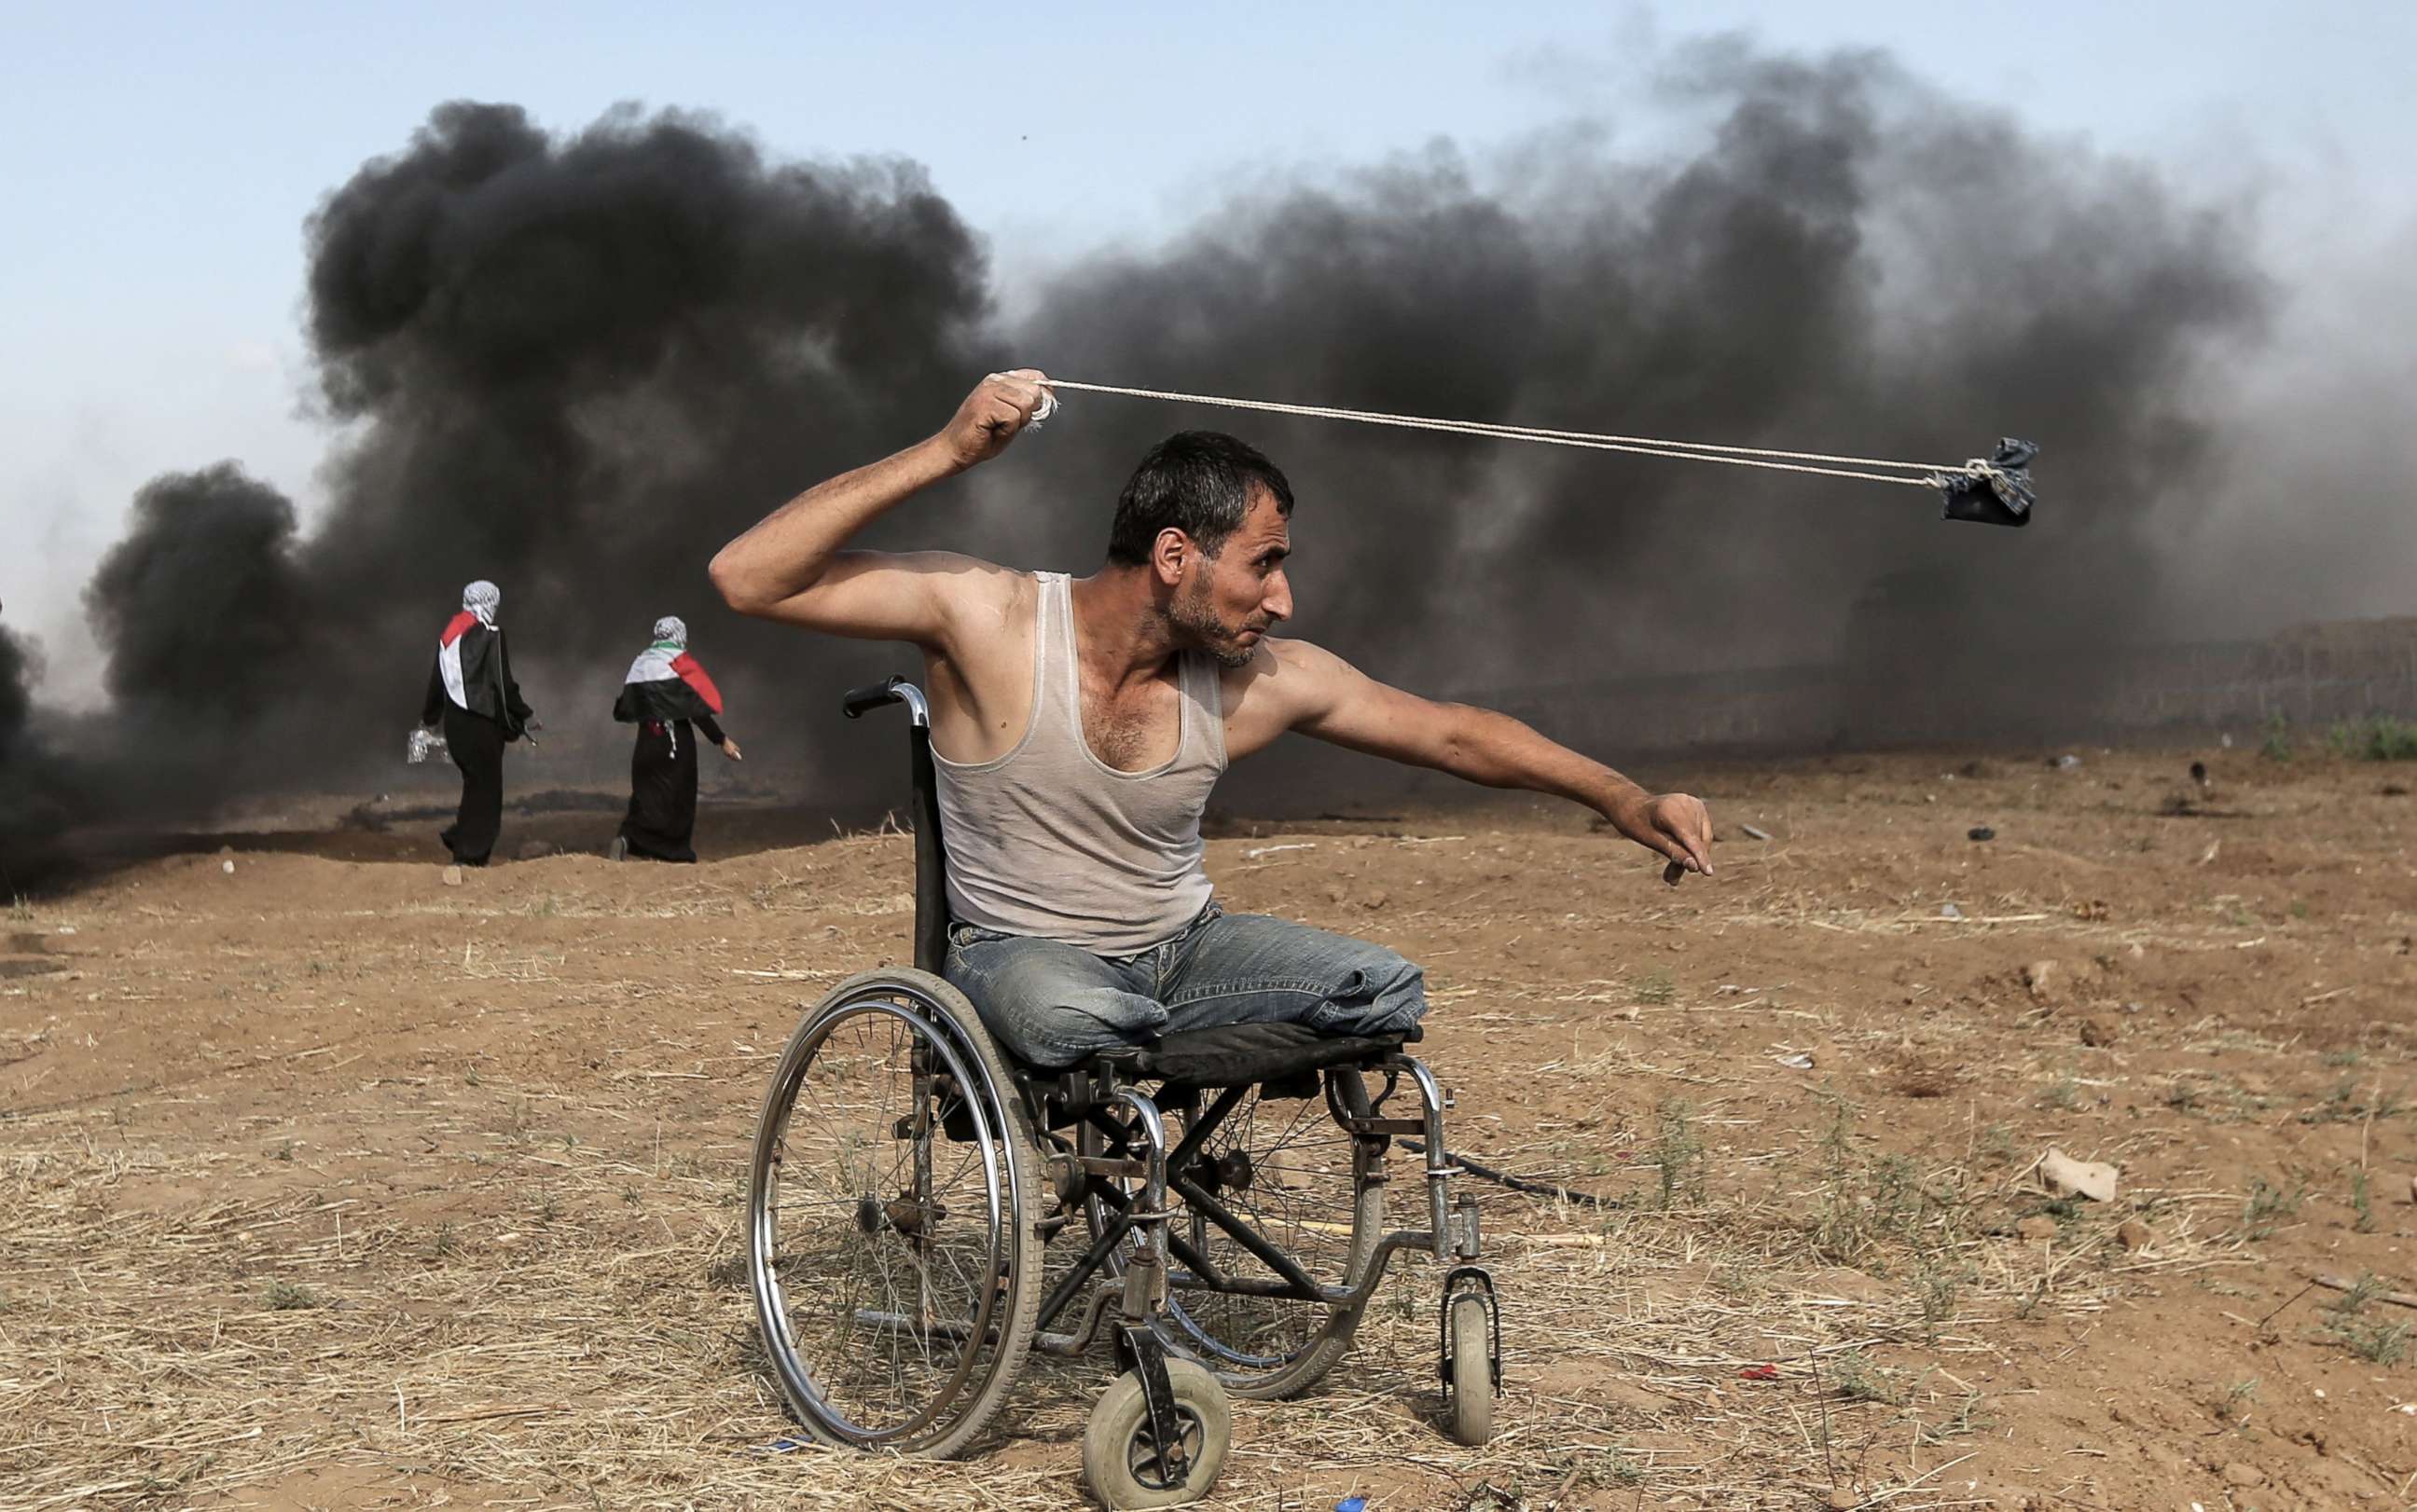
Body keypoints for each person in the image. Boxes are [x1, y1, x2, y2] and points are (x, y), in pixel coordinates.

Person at [709, 371, 1714, 1069]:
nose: (1282, 601)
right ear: (1177, 555)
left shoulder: (1252, 680)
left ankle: (1159, 1030)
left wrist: (1623, 795)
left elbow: (1450, 731)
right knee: (1071, 1013)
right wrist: (944, 450)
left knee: (1385, 989)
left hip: (1187, 951)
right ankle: (1151, 1035)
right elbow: (746, 577)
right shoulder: (992, 617)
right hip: (1024, 955)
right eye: (1265, 562)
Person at [419, 580, 535, 867]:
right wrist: (526, 715)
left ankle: (460, 838)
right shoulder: (491, 636)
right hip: (481, 726)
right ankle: (468, 855)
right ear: (491, 602)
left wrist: (429, 721)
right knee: (487, 792)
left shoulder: (448, 636)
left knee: (475, 786)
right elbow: (503, 684)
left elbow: (437, 684)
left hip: (455, 727)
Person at [610, 615, 742, 862]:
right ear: (680, 635)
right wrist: (721, 739)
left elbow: (624, 708)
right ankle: (676, 853)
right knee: (678, 797)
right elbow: (697, 710)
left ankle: (628, 837)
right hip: (675, 744)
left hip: (647, 741)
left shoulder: (641, 662)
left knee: (646, 795)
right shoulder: (679, 663)